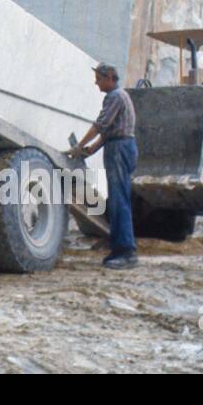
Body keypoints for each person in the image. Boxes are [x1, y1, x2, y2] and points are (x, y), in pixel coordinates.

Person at [67, 63, 139, 270]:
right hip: (120, 146)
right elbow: (107, 133)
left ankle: (126, 252)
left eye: (98, 79)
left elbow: (100, 126)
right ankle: (119, 249)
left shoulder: (115, 96)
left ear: (109, 77)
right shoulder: (120, 96)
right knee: (117, 200)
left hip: (120, 148)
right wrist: (90, 150)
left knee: (119, 201)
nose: (96, 84)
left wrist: (79, 145)